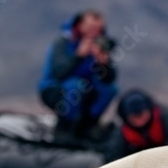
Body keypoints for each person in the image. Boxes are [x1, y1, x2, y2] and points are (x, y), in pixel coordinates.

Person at [39, 10, 118, 140]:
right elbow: (58, 73)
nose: (95, 33)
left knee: (109, 89)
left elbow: (109, 79)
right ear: (80, 25)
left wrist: (103, 64)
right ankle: (65, 128)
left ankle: (88, 126)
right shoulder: (63, 43)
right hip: (56, 90)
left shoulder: (100, 45)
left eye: (99, 29)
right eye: (91, 28)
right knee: (75, 85)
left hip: (87, 91)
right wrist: (78, 56)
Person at [104, 89, 168, 162]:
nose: (139, 119)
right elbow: (113, 158)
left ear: (149, 110)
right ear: (126, 117)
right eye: (134, 116)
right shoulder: (122, 134)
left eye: (142, 114)